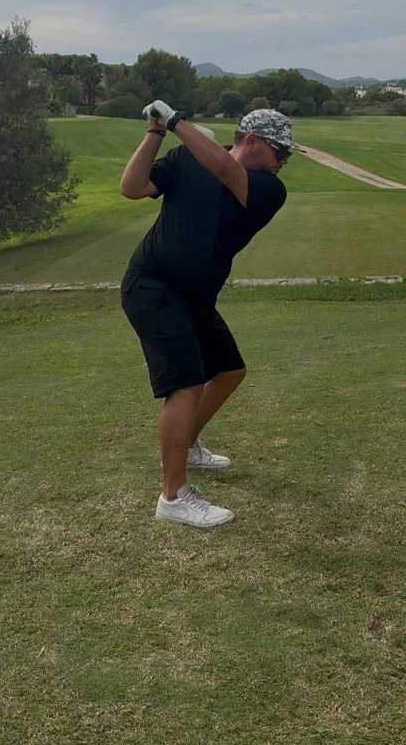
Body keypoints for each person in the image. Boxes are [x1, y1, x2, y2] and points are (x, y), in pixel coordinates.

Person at [119, 102, 296, 530]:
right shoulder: (186, 157)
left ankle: (188, 443)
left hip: (196, 297)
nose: (284, 162)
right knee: (185, 384)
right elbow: (132, 187)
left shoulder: (268, 188)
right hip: (153, 287)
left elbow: (223, 168)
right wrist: (156, 132)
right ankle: (173, 497)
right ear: (253, 141)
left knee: (230, 370)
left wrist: (176, 120)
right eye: (281, 152)